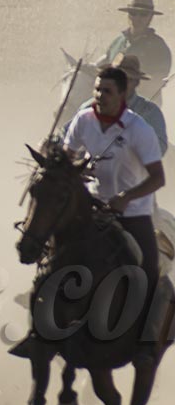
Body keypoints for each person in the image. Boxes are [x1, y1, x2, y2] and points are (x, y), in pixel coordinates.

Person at [64, 66, 165, 361]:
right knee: (53, 247)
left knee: (149, 266)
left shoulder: (140, 128)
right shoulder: (83, 119)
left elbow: (158, 178)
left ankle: (146, 339)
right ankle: (40, 319)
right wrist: (64, 165)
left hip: (133, 213)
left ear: (123, 93)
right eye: (97, 89)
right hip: (92, 206)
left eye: (106, 91)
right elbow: (68, 155)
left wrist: (127, 197)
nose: (99, 95)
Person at [76, 54, 167, 156]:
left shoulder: (149, 112)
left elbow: (159, 148)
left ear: (136, 83)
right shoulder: (88, 108)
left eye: (127, 79)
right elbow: (69, 140)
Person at [103, 0, 171, 103]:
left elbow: (158, 80)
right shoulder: (118, 42)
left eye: (143, 14)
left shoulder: (159, 47)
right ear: (128, 15)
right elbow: (103, 67)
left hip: (144, 105)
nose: (137, 18)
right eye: (133, 13)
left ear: (150, 17)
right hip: (112, 104)